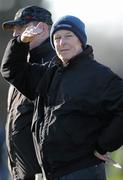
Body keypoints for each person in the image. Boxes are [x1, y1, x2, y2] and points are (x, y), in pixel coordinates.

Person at [1, 14, 123, 180]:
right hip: (51, 174)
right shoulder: (47, 74)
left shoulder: (99, 76)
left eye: (68, 36)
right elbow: (11, 70)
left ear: (81, 40)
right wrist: (21, 42)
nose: (62, 42)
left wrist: (103, 145)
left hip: (83, 172)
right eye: (57, 38)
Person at [1, 5, 55, 180]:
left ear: (44, 29)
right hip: (21, 173)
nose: (16, 34)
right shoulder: (24, 64)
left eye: (22, 27)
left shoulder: (52, 66)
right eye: (15, 29)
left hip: (43, 173)